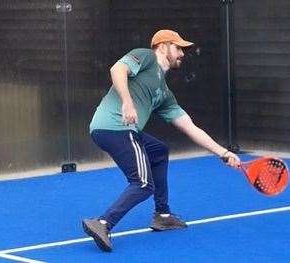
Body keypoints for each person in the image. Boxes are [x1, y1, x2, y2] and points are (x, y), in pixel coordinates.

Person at [82, 29, 241, 252]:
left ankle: (162, 215)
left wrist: (223, 153)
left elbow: (190, 127)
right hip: (115, 127)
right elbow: (117, 69)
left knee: (158, 151)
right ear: (163, 46)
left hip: (122, 130)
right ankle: (102, 223)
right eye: (178, 48)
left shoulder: (164, 93)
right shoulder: (146, 56)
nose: (182, 54)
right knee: (143, 183)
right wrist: (127, 102)